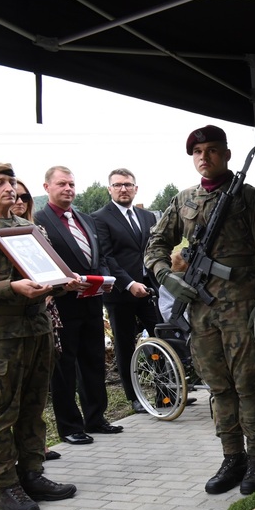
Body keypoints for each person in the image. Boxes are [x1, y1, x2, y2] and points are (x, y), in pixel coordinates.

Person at [145, 125, 255, 495]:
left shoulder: (251, 199)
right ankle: (232, 457)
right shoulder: (184, 200)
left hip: (242, 308)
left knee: (247, 385)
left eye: (211, 150)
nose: (203, 157)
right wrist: (165, 276)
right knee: (219, 387)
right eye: (197, 152)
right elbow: (155, 244)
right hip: (202, 310)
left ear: (225, 154)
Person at [0, 162, 82, 510]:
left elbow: (48, 274)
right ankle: (7, 485)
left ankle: (32, 474)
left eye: (11, 181)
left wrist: (64, 282)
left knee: (33, 408)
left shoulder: (27, 229)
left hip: (37, 330)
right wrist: (10, 288)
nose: (10, 188)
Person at [34, 165, 121, 443]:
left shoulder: (86, 219)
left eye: (71, 184)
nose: (68, 189)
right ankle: (70, 427)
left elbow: (100, 256)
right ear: (47, 187)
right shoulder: (38, 221)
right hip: (62, 305)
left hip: (92, 301)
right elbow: (40, 264)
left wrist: (104, 278)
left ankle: (96, 418)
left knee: (94, 362)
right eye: (62, 184)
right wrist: (64, 282)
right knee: (65, 369)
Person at [92, 168, 163, 414]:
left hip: (149, 289)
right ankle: (135, 397)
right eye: (118, 185)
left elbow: (154, 249)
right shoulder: (99, 218)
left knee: (160, 338)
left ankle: (166, 394)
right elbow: (106, 257)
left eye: (128, 184)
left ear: (136, 188)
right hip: (120, 294)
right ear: (109, 189)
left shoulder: (147, 216)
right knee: (125, 346)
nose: (123, 189)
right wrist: (129, 283)